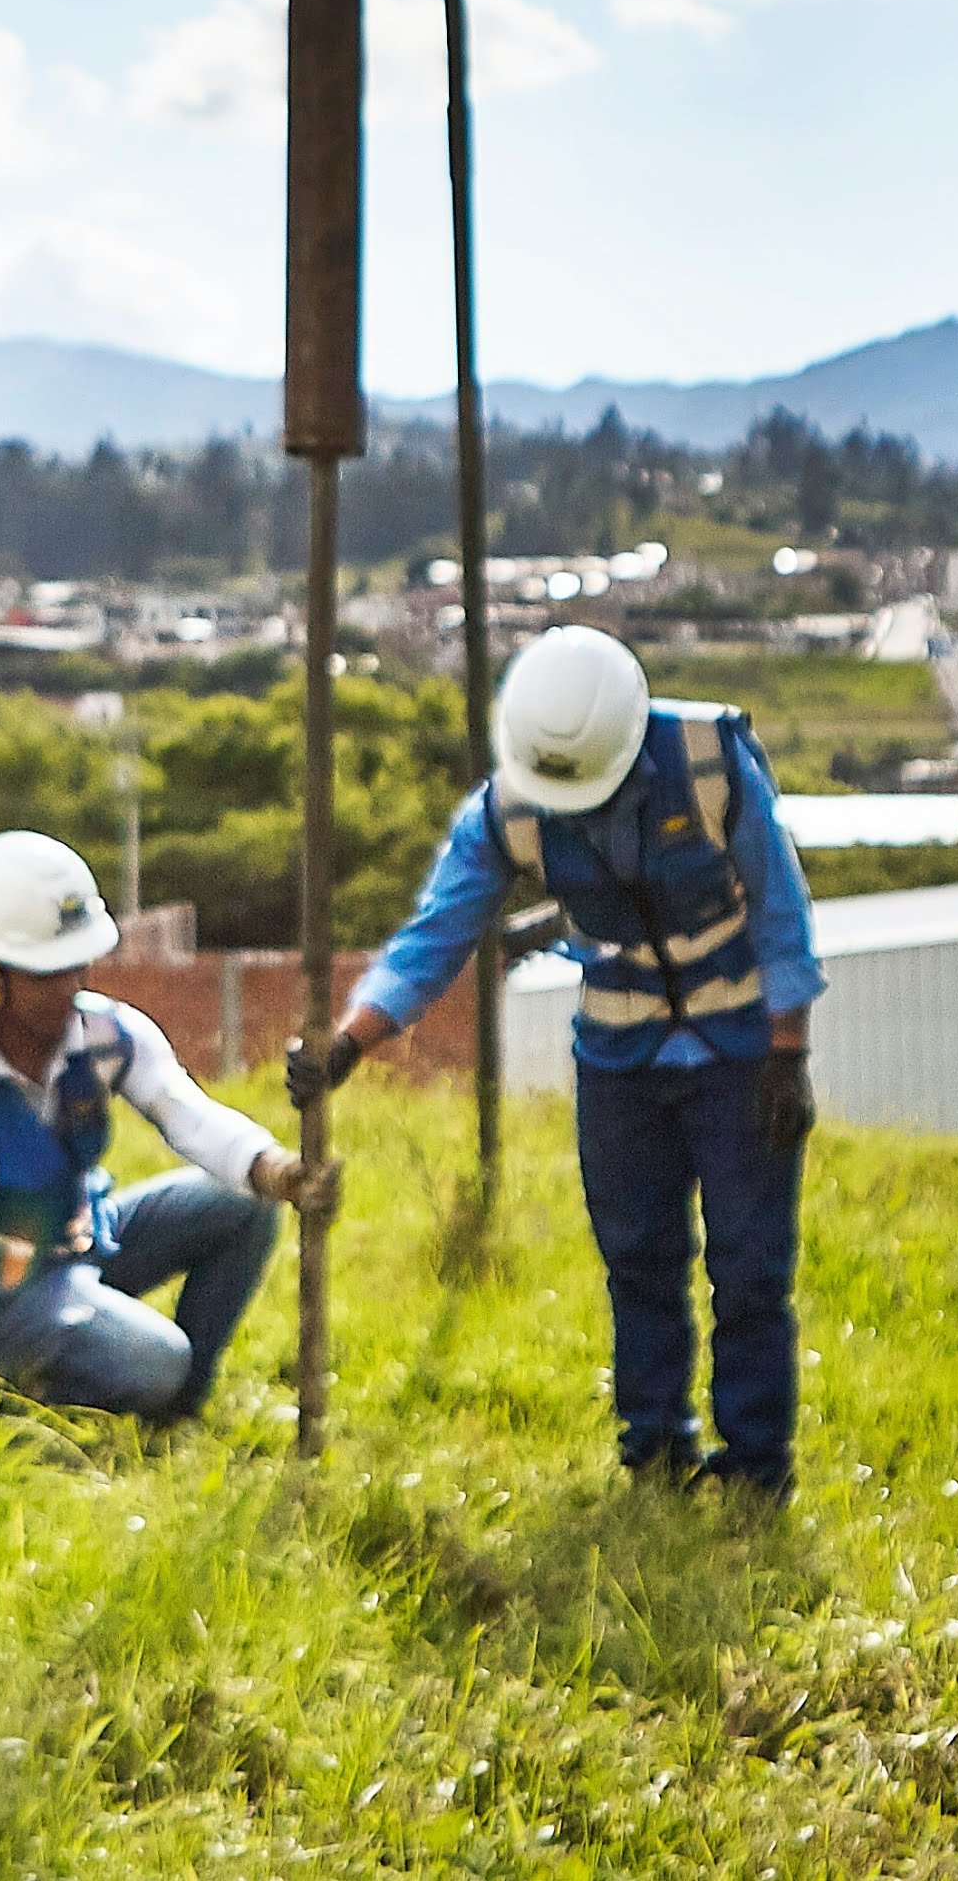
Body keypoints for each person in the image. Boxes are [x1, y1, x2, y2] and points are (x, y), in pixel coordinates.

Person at [305, 625, 825, 1499]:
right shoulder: (507, 809)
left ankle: (755, 1469)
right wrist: (350, 1039)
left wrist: (787, 1053)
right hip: (620, 1057)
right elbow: (436, 934)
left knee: (749, 1267)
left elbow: (780, 910)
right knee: (638, 1258)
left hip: (739, 1049)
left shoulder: (709, 760)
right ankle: (656, 1454)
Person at [0, 827, 333, 1429]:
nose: (69, 988)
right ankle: (11, 1389)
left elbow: (188, 1115)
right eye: (45, 974)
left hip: (79, 1243)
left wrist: (275, 1170)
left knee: (242, 1203)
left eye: (77, 966)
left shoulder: (108, 1034)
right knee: (155, 1359)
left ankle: (175, 1411)